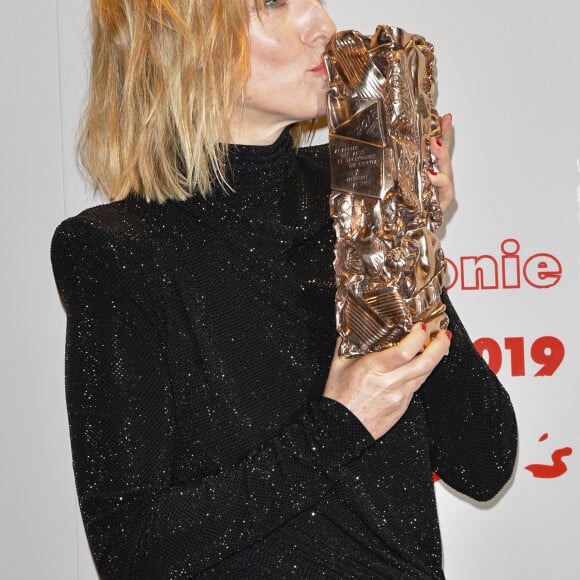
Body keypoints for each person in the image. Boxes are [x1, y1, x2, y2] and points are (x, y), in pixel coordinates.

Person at [51, 1, 517, 578]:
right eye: (273, 2)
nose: (325, 26)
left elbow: (484, 460)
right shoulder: (118, 251)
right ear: (181, 39)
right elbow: (134, 550)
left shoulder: (354, 197)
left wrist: (404, 241)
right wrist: (338, 424)